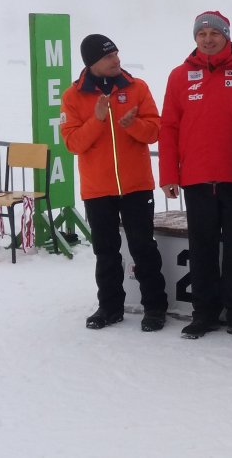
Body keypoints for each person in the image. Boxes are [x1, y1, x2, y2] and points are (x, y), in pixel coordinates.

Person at [159, 11, 232, 341]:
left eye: (214, 33)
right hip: (196, 177)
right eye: (201, 33)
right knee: (201, 248)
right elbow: (169, 127)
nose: (207, 39)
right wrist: (168, 173)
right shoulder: (179, 76)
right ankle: (203, 313)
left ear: (227, 36)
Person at [61, 34, 168, 332]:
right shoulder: (72, 96)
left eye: (117, 54)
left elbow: (154, 131)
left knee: (143, 247)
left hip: (136, 186)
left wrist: (131, 124)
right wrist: (97, 119)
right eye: (109, 57)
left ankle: (155, 307)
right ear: (92, 62)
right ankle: (109, 307)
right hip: (97, 189)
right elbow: (72, 143)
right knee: (105, 251)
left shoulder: (137, 87)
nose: (116, 60)